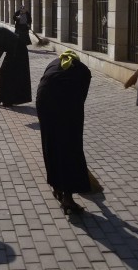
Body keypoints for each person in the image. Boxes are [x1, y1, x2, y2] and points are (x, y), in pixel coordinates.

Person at [36, 50, 92, 215]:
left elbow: (44, 82)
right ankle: (68, 198)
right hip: (66, 103)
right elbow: (81, 99)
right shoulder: (84, 71)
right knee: (70, 147)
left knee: (51, 143)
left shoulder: (53, 63)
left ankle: (57, 187)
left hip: (44, 100)